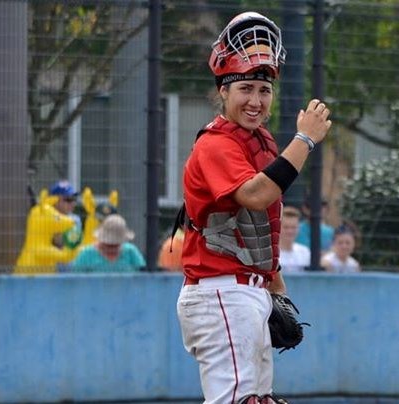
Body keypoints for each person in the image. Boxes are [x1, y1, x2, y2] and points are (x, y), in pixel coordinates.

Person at [176, 11, 331, 404]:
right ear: (223, 91)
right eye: (245, 88)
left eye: (264, 90)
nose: (256, 101)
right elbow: (255, 195)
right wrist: (305, 141)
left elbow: (256, 219)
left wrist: (274, 283)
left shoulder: (260, 141)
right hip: (220, 292)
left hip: (245, 291)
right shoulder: (216, 144)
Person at [71, 214, 146, 273]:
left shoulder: (131, 251)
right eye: (108, 244)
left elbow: (142, 277)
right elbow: (76, 281)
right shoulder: (86, 254)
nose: (112, 248)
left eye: (116, 244)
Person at [49, 180, 82, 249]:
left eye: (74, 199)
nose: (73, 203)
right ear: (55, 200)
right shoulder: (46, 218)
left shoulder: (75, 219)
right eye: (68, 199)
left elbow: (73, 244)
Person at [278, 205, 310, 273]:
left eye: (293, 227)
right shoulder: (271, 254)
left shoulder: (305, 252)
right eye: (286, 227)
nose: (290, 231)